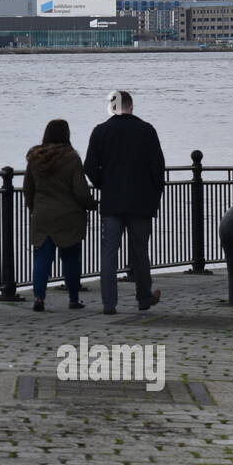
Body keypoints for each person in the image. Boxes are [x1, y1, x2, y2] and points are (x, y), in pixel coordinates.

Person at [83, 90, 166, 315]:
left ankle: (109, 304)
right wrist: (153, 194)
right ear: (131, 106)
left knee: (109, 253)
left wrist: (104, 185)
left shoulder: (100, 132)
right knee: (140, 251)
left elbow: (89, 167)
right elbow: (158, 168)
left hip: (112, 203)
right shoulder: (146, 130)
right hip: (141, 203)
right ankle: (143, 298)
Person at [23, 118, 96, 312]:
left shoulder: (34, 157)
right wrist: (91, 205)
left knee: (42, 259)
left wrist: (34, 208)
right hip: (69, 217)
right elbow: (80, 191)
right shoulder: (71, 158)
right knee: (71, 259)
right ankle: (73, 298)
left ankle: (39, 297)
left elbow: (27, 188)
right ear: (67, 134)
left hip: (43, 215)